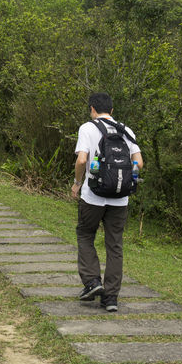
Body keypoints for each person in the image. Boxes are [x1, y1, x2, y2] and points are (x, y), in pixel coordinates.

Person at [70, 92, 143, 312]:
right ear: (112, 111)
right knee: (115, 245)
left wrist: (76, 183)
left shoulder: (87, 128)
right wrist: (126, 182)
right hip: (120, 199)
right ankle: (110, 298)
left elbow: (82, 159)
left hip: (93, 196)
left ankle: (93, 282)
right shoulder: (126, 130)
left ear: (92, 109)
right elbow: (138, 162)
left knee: (85, 235)